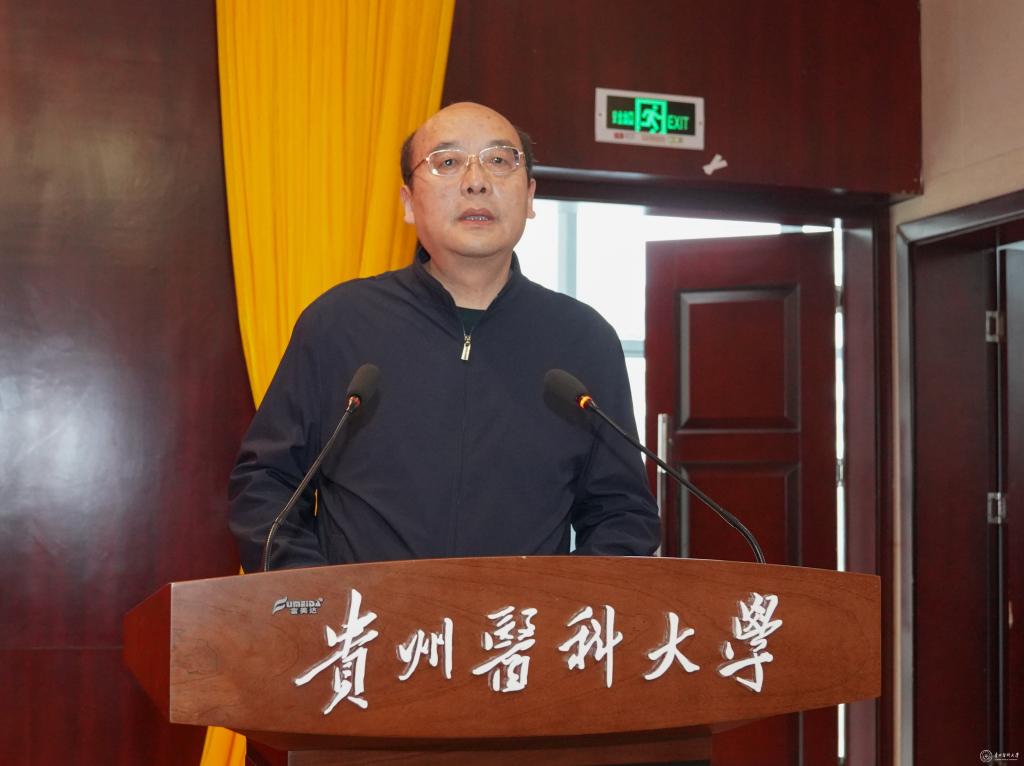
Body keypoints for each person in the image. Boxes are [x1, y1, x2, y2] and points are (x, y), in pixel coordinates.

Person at [229, 102, 660, 571]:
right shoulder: (338, 323)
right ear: (408, 202)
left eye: (500, 160)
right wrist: (315, 596)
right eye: (448, 162)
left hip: (521, 619)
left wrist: (566, 604)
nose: (476, 182)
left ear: (530, 196)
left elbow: (623, 515)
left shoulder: (584, 339)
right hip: (361, 615)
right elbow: (266, 484)